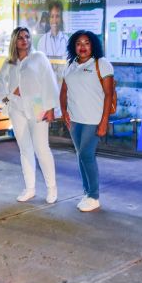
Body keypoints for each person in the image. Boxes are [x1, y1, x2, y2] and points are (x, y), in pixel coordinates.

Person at [0, 27, 60, 204]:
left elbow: (49, 82)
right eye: (20, 37)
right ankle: (30, 188)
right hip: (17, 107)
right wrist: (7, 97)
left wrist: (51, 108)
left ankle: (52, 187)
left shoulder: (39, 58)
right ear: (14, 41)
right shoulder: (10, 63)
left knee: (41, 148)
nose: (24, 40)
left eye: (27, 36)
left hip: (38, 104)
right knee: (25, 149)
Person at [60, 30, 114, 212]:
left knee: (86, 155)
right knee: (80, 155)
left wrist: (104, 121)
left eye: (87, 43)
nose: (82, 47)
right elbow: (64, 91)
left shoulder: (102, 64)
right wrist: (64, 111)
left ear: (93, 46)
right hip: (75, 120)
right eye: (78, 43)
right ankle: (87, 192)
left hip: (93, 119)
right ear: (73, 47)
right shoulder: (71, 65)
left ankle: (94, 196)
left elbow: (108, 95)